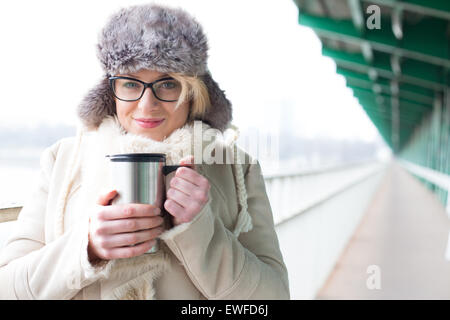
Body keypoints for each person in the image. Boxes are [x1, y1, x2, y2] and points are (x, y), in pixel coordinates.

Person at [0, 3, 289, 300]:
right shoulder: (62, 161)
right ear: (110, 91)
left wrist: (199, 230)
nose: (147, 104)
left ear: (193, 91)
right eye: (129, 83)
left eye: (167, 84)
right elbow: (7, 288)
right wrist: (86, 247)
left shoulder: (236, 168)